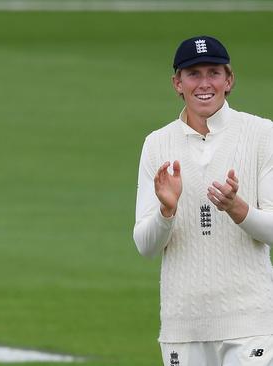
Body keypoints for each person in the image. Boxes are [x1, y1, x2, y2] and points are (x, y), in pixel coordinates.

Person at [133, 35, 273, 365]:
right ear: (177, 83)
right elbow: (145, 245)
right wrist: (166, 212)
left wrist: (238, 209)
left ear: (229, 80)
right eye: (193, 74)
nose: (204, 84)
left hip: (250, 323)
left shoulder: (262, 135)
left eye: (213, 72)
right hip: (184, 326)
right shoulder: (157, 144)